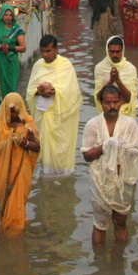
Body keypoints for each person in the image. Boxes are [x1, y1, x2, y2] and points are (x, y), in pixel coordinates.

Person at [82, 83, 138, 244]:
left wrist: (119, 148)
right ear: (101, 103)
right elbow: (87, 155)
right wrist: (105, 147)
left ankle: (119, 261)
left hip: (123, 181)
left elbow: (137, 152)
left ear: (121, 102)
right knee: (100, 224)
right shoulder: (92, 125)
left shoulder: (130, 124)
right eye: (107, 103)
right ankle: (99, 263)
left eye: (115, 102)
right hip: (99, 181)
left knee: (121, 222)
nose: (112, 106)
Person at [25, 34, 83, 178]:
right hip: (43, 116)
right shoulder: (38, 65)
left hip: (60, 118)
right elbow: (29, 91)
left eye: (48, 51)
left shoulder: (65, 65)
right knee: (44, 150)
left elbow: (72, 92)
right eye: (42, 51)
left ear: (56, 49)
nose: (45, 55)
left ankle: (64, 181)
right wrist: (38, 91)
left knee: (60, 151)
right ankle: (46, 177)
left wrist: (54, 91)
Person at [0, 92, 40, 234]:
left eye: (17, 111)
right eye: (11, 111)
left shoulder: (28, 124)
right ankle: (7, 227)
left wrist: (24, 143)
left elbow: (37, 147)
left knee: (18, 200)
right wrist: (9, 140)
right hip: (3, 172)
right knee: (6, 200)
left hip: (23, 170)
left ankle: (16, 229)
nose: (15, 115)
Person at [0, 6, 26, 114]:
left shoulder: (16, 29)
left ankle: (11, 109)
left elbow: (23, 47)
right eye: (6, 15)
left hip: (11, 61)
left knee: (11, 85)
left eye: (10, 15)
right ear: (1, 14)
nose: (8, 17)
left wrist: (10, 48)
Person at [92, 35, 138, 117]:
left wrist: (118, 81)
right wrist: (110, 81)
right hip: (106, 115)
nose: (115, 55)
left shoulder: (130, 69)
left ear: (122, 51)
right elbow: (98, 97)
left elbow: (131, 99)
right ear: (107, 51)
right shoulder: (100, 68)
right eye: (112, 52)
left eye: (118, 52)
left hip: (126, 115)